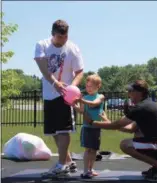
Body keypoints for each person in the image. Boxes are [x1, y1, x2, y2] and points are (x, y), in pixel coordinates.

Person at [84, 80, 157, 181]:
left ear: (139, 93)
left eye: (131, 91)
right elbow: (130, 129)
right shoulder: (146, 104)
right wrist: (107, 121)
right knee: (137, 136)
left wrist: (92, 123)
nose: (129, 93)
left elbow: (118, 124)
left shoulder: (141, 107)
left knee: (125, 145)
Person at [34, 19, 84, 177]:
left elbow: (80, 71)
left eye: (66, 36)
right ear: (52, 34)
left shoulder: (73, 48)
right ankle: (68, 161)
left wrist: (72, 88)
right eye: (60, 37)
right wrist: (55, 83)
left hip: (65, 96)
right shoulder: (42, 45)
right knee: (54, 131)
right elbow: (42, 67)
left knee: (63, 130)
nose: (63, 39)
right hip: (49, 94)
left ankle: (62, 166)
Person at [73, 74, 106, 179]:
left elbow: (93, 104)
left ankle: (91, 169)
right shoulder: (85, 97)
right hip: (87, 128)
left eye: (91, 86)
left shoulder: (100, 96)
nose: (88, 88)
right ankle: (86, 170)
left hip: (97, 128)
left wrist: (81, 100)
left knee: (94, 150)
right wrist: (73, 104)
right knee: (88, 150)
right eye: (87, 86)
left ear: (98, 86)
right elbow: (81, 111)